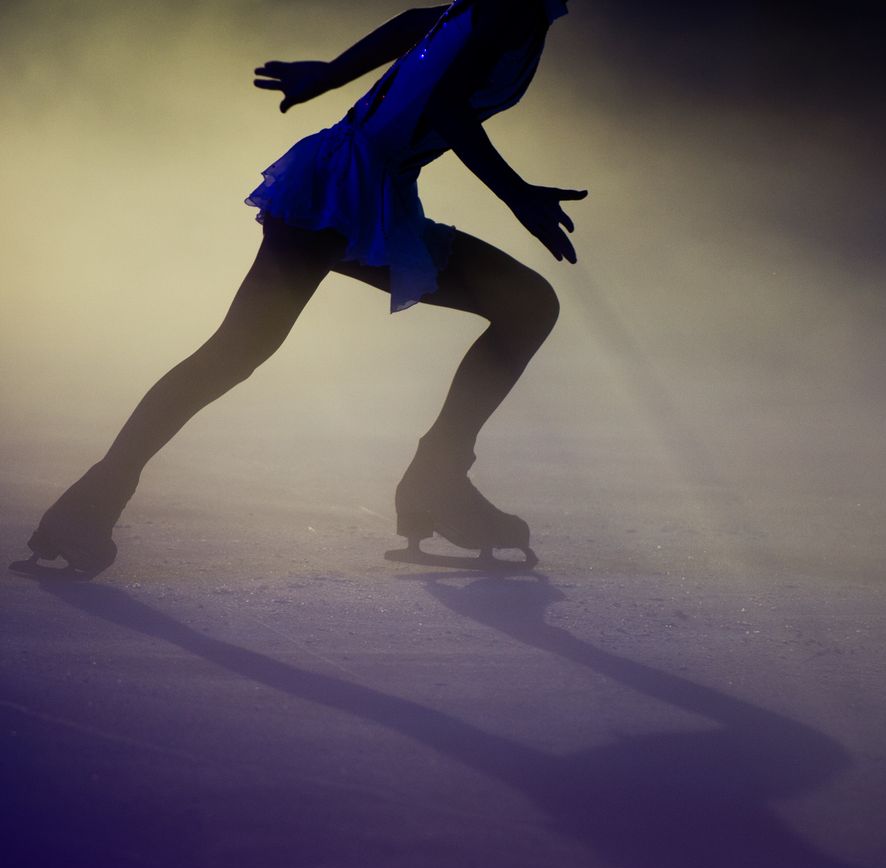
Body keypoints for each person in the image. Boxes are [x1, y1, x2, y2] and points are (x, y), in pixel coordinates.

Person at [18, 0, 583, 576]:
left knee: (525, 304)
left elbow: (424, 23)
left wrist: (329, 72)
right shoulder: (511, 11)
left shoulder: (505, 11)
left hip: (366, 188)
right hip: (341, 186)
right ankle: (87, 508)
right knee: (237, 350)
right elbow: (446, 103)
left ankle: (438, 479)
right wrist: (520, 196)